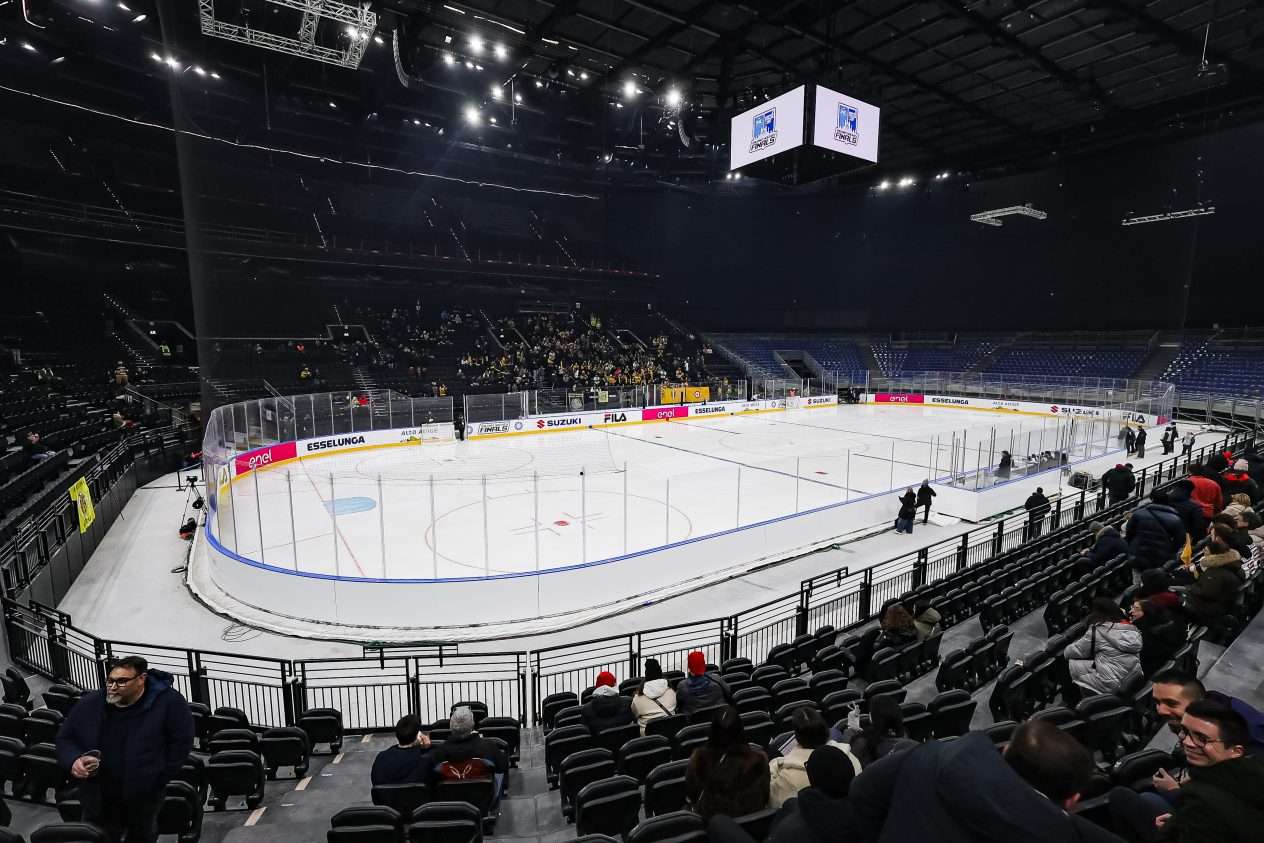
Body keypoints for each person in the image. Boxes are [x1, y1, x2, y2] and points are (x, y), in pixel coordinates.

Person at [848, 719, 1123, 842]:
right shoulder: (1064, 833)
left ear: (1004, 751)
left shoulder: (931, 756)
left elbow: (862, 791)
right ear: (1073, 800)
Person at [56, 656, 195, 843]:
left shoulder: (170, 703)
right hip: (98, 799)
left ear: (141, 679)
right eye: (110, 681)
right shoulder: (92, 703)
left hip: (143, 800)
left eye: (121, 682)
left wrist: (157, 777)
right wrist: (74, 760)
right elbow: (65, 737)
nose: (113, 687)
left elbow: (181, 744)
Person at [1108, 699, 1264, 842]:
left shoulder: (1201, 801)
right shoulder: (1251, 770)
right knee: (1146, 797)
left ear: (1235, 751)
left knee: (1120, 796)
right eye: (1185, 732)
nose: (1188, 742)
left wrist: (1173, 828)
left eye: (1202, 738)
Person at [685, 706, 769, 820]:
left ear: (712, 730)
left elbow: (692, 795)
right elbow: (765, 796)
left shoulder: (698, 760)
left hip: (712, 829)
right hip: (754, 827)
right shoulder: (759, 759)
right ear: (740, 729)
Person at [768, 707, 860, 808]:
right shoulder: (851, 758)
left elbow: (776, 805)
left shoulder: (784, 776)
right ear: (826, 732)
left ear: (797, 738)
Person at [1063, 598, 1142, 697]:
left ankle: (1074, 700)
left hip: (1112, 683)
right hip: (1132, 676)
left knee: (1072, 663)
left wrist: (1075, 643)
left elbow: (1070, 652)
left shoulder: (1098, 630)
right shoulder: (1131, 628)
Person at [425, 706, 507, 784]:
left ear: (451, 726)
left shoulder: (438, 752)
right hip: (483, 796)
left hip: (448, 797)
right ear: (473, 724)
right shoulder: (488, 747)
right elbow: (502, 767)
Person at [841, 694, 918, 768]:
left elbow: (846, 758)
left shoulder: (862, 743)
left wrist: (850, 727)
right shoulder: (905, 735)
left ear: (872, 719)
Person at [1124, 494, 1186, 572]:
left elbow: (1129, 533)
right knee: (1156, 580)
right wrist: (1170, 551)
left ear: (1152, 501)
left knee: (1138, 578)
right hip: (1161, 558)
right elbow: (1180, 539)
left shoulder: (1138, 514)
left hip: (1139, 555)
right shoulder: (1175, 519)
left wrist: (1133, 546)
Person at [1128, 598, 1186, 677]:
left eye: (1136, 609)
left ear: (1147, 613)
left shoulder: (1147, 638)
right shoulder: (1166, 625)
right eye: (1132, 608)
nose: (1131, 612)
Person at [372, 714, 432, 785]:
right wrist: (428, 750)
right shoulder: (426, 760)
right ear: (419, 736)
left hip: (387, 796)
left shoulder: (381, 758)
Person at [630, 658, 677, 735]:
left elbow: (634, 714)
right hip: (669, 734)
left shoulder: (637, 699)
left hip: (648, 739)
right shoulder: (671, 692)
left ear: (646, 675)